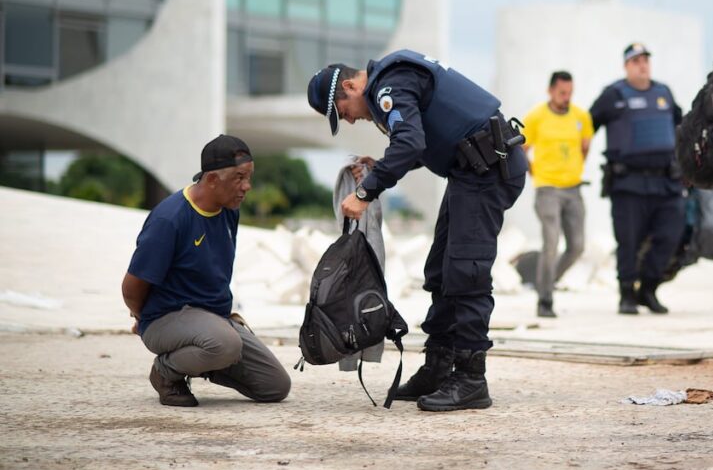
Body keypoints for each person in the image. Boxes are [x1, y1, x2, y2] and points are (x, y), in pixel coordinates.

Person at [306, 49, 526, 412]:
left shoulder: (389, 85)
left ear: (349, 85)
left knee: (466, 271)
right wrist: (380, 167)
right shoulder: (392, 83)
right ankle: (438, 366)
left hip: (487, 174)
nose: (349, 121)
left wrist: (365, 192)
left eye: (343, 112)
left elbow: (410, 143)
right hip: (468, 173)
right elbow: (423, 140)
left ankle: (472, 378)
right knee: (440, 271)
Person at [121, 135, 291, 407]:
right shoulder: (170, 219)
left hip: (213, 320)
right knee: (225, 344)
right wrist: (146, 320)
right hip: (166, 318)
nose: (246, 187)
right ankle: (165, 372)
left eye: (249, 177)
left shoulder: (228, 210)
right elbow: (131, 287)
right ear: (212, 179)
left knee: (275, 387)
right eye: (239, 178)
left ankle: (210, 354)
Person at [590, 43, 685, 315]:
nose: (642, 65)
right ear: (626, 66)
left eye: (645, 60)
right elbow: (587, 126)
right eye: (636, 61)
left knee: (671, 234)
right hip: (628, 183)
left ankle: (649, 288)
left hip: (665, 181)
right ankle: (627, 294)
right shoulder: (613, 95)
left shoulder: (663, 93)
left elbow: (680, 126)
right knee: (628, 241)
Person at [522, 71, 593, 318]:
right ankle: (545, 300)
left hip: (573, 189)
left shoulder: (581, 116)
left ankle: (547, 282)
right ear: (550, 90)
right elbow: (522, 149)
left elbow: (585, 146)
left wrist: (574, 169)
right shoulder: (536, 117)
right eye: (562, 92)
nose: (566, 97)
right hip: (547, 189)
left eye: (570, 93)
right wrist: (535, 174)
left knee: (577, 246)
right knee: (551, 241)